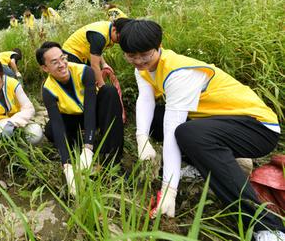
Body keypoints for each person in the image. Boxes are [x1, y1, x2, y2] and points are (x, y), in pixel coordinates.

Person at [119, 19, 284, 240]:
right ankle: (212, 162)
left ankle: (267, 227)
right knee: (156, 119)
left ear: (159, 46)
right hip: (222, 122)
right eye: (131, 56)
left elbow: (172, 132)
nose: (138, 61)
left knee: (185, 133)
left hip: (258, 128)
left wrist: (169, 190)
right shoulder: (144, 67)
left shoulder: (179, 73)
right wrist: (141, 138)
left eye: (144, 55)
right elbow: (145, 100)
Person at [36, 42, 124, 196]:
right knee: (50, 129)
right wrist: (67, 166)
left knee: (109, 91)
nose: (62, 64)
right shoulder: (47, 90)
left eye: (63, 58)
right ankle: (77, 156)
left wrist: (88, 147)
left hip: (92, 114)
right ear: (45, 68)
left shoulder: (85, 71)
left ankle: (113, 157)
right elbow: (57, 124)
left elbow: (90, 109)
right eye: (54, 62)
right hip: (72, 120)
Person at [0, 54, 43, 144]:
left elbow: (28, 108)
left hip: (19, 120)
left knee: (36, 132)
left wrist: (12, 123)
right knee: (8, 140)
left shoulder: (12, 83)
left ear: (0, 72)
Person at [62, 18, 131, 88]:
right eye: (119, 38)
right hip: (71, 52)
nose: (119, 42)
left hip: (82, 54)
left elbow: (97, 50)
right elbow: (94, 65)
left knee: (89, 80)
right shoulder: (100, 37)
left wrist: (104, 64)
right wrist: (102, 86)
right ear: (114, 30)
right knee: (78, 84)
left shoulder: (107, 29)